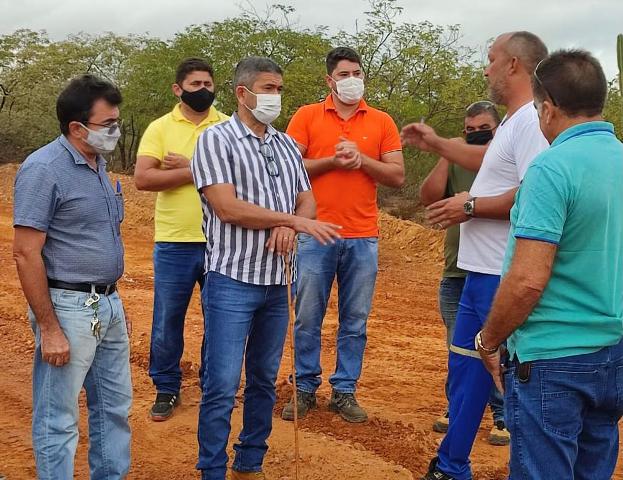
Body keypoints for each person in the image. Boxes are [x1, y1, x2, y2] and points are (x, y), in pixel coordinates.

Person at [402, 31, 549, 480]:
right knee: (466, 372)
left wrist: (470, 206)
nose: (486, 70)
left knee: (509, 376)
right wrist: (436, 144)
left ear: (514, 65)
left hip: (501, 274)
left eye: (491, 59)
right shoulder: (512, 123)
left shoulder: (531, 122)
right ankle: (451, 466)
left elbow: (536, 192)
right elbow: (483, 161)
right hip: (478, 272)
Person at [191, 56, 342, 480]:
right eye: (268, 89)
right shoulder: (215, 141)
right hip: (231, 278)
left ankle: (250, 461)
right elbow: (226, 207)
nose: (275, 96)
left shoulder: (286, 145)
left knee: (263, 379)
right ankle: (212, 469)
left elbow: (306, 199)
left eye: (278, 89)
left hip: (278, 281)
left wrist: (291, 225)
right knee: (222, 383)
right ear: (243, 93)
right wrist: (290, 221)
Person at [478, 50, 623, 480]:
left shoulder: (551, 168)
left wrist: (489, 340)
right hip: (614, 356)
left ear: (547, 108)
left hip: (553, 361)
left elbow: (527, 280)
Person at [13, 74, 132, 479]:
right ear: (77, 128)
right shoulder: (44, 169)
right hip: (68, 308)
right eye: (108, 124)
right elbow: (25, 252)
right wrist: (50, 328)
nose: (115, 130)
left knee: (114, 408)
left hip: (107, 304)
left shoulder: (98, 165)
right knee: (58, 418)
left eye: (117, 121)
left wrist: (113, 304)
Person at [282, 46, 405, 424]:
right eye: (344, 74)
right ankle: (305, 386)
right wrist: (332, 161)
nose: (352, 80)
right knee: (307, 316)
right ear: (329, 80)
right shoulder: (307, 115)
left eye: (357, 73)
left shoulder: (381, 121)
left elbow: (397, 176)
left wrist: (363, 160)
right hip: (314, 231)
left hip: (363, 235)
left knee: (355, 320)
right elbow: (288, 166)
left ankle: (344, 390)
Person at [134, 58, 229, 421]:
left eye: (208, 83)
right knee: (167, 319)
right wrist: (206, 170)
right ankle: (166, 387)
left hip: (223, 239)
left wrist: (188, 167)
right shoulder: (160, 128)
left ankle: (213, 386)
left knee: (220, 319)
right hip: (174, 240)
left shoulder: (228, 127)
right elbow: (144, 178)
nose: (203, 90)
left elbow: (240, 178)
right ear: (178, 89)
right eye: (195, 84)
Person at [420, 100, 508, 446]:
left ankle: (501, 413)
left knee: (495, 347)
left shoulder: (508, 161)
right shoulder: (458, 159)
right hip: (456, 271)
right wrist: (448, 153)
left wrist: (471, 204)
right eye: (469, 130)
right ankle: (456, 408)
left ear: (498, 129)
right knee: (459, 349)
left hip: (494, 270)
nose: (476, 134)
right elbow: (429, 197)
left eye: (484, 128)